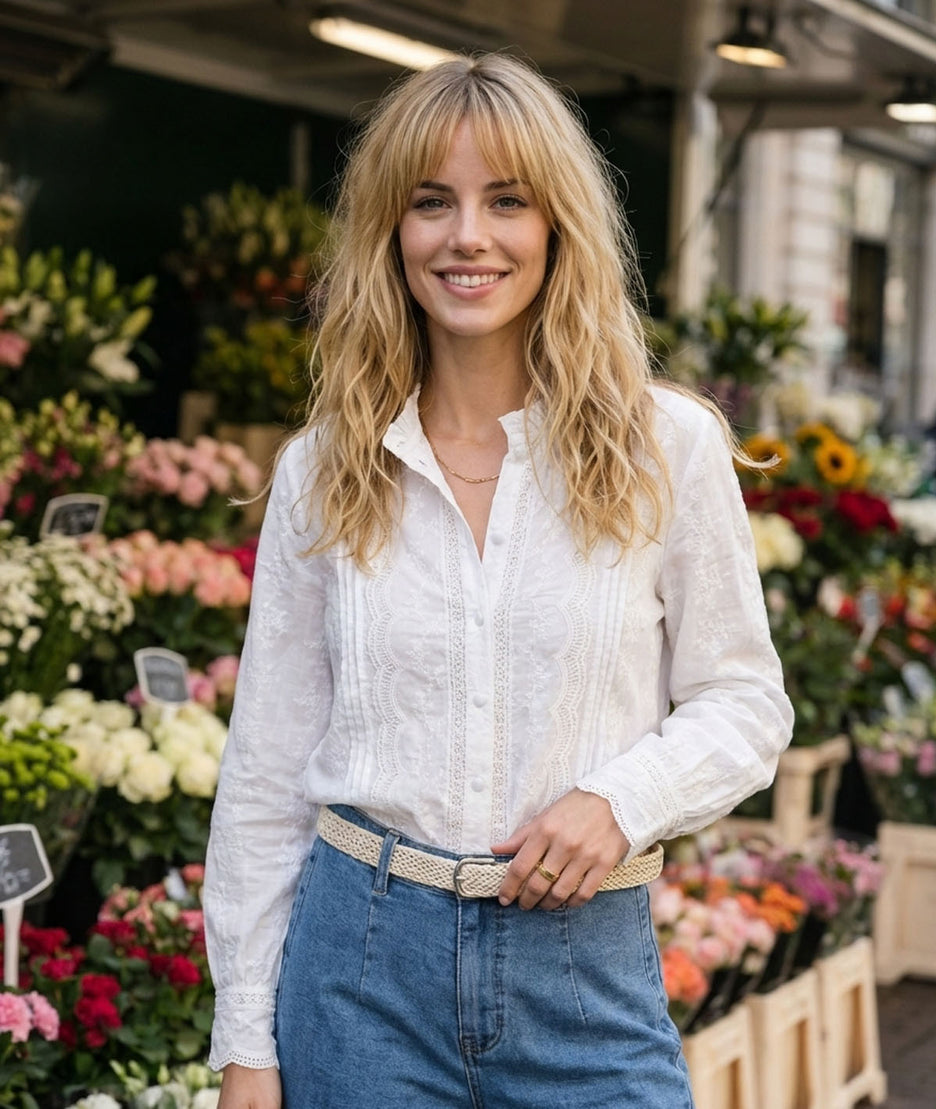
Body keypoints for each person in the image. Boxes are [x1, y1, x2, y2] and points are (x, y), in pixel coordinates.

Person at [204, 52, 793, 1109]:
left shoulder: (668, 447)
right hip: (359, 978)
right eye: (432, 202)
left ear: (558, 223)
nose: (467, 235)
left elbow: (746, 701)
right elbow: (266, 764)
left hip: (585, 973)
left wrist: (622, 798)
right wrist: (246, 1033)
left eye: (506, 201)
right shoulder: (326, 465)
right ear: (391, 229)